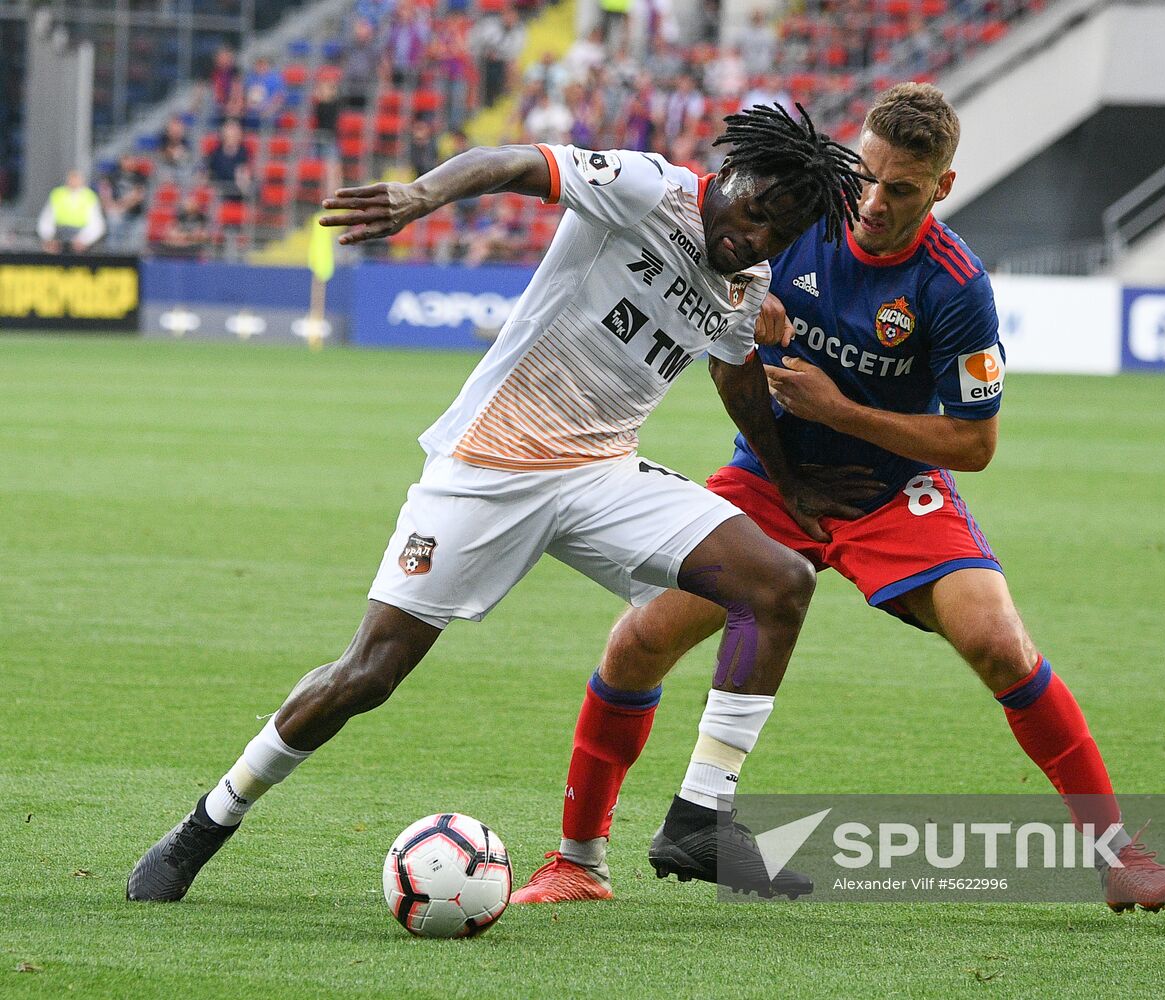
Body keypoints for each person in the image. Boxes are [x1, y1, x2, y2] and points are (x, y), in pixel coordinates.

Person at [126, 105, 870, 903]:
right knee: (368, 673)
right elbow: (515, 160)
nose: (755, 239)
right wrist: (421, 196)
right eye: (754, 211)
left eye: (777, 233)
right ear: (727, 180)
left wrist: (784, 476)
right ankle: (208, 821)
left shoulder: (742, 281)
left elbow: (733, 374)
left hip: (600, 474)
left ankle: (699, 815)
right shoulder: (652, 190)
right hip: (489, 466)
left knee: (778, 582)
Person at [511, 84, 1165, 913]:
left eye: (899, 188)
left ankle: (1117, 854)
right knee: (637, 643)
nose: (872, 202)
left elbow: (974, 444)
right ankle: (580, 860)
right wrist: (752, 338)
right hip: (770, 481)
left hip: (886, 494)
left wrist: (840, 411)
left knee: (999, 643)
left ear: (940, 188)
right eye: (865, 176)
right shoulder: (799, 222)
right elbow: (717, 312)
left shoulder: (954, 288)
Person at [37, 169, 105, 253]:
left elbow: (96, 224)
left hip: (81, 237)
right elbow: (46, 219)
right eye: (71, 179)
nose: (73, 181)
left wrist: (84, 240)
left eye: (76, 179)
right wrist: (49, 238)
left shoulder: (90, 196)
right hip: (59, 236)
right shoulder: (58, 194)